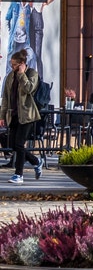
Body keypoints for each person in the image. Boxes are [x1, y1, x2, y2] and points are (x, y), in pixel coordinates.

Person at [0, 51, 42, 182]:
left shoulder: (32, 74)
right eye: (11, 64)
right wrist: (2, 116)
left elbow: (29, 89)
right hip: (13, 115)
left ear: (22, 64)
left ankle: (19, 175)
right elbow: (6, 98)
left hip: (27, 115)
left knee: (19, 144)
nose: (12, 67)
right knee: (12, 144)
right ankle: (36, 161)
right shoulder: (10, 77)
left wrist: (22, 74)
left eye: (15, 65)